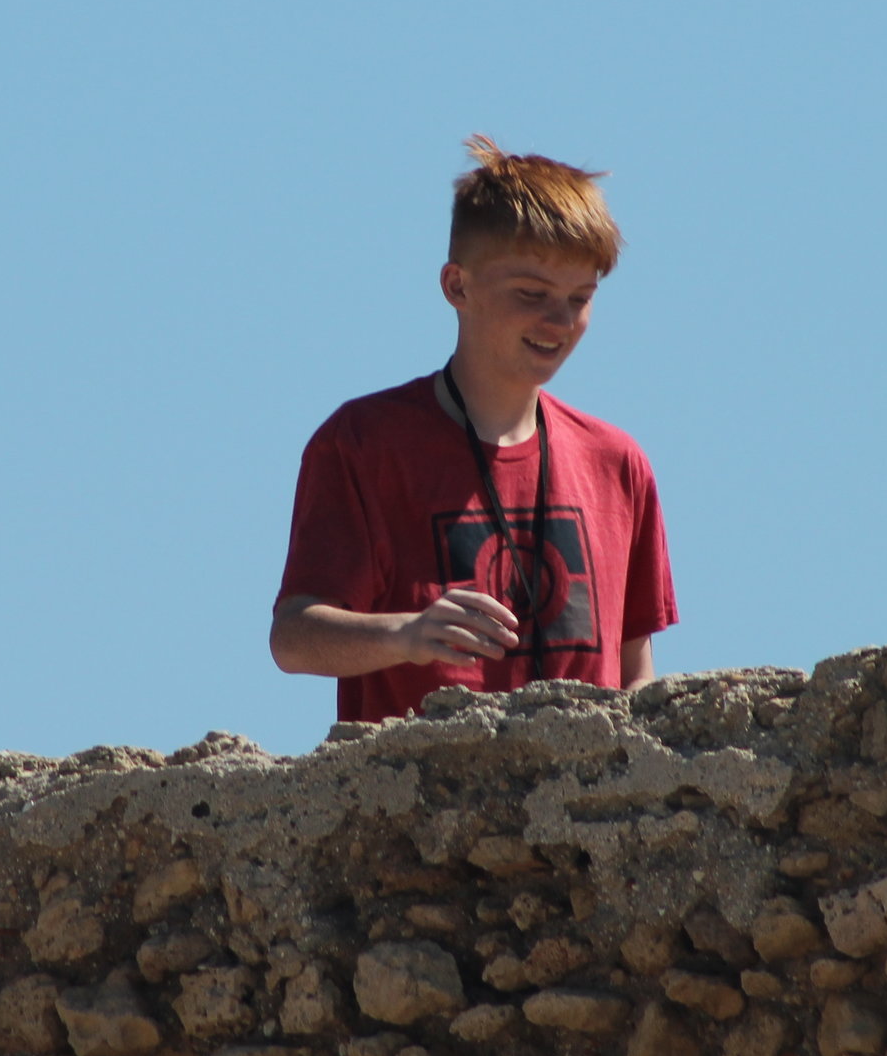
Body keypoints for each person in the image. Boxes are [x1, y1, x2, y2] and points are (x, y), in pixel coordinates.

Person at [270, 136, 677, 723]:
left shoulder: (617, 462)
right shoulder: (363, 443)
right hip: (421, 806)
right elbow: (293, 638)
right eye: (531, 294)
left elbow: (636, 672)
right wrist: (404, 635)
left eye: (580, 298)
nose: (559, 321)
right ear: (457, 286)